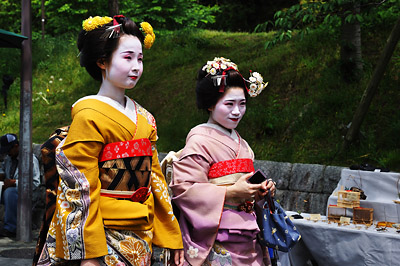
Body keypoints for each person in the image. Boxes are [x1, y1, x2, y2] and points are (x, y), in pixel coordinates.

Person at [36, 15, 183, 266]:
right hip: (103, 234)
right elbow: (81, 187)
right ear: (102, 61)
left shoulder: (145, 118)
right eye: (128, 58)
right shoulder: (89, 115)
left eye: (140, 59)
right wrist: (89, 254)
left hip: (141, 231)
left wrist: (171, 235)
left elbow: (156, 180)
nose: (137, 66)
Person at [170, 57, 276, 266]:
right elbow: (183, 190)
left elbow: (249, 190)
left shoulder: (244, 146)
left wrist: (262, 192)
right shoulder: (199, 140)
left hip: (249, 237)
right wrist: (229, 193)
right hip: (216, 237)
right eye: (229, 104)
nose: (237, 111)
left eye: (242, 104)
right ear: (210, 104)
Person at [0, 133, 41, 237]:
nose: (7, 153)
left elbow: (35, 183)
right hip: (11, 193)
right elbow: (3, 170)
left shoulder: (30, 159)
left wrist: (14, 182)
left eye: (9, 150)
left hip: (29, 194)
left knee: (10, 192)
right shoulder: (9, 159)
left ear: (16, 146)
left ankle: (11, 228)